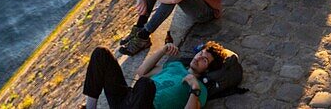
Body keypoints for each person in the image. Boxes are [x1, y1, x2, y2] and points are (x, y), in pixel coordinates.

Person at [82, 40, 226, 109]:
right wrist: (163, 50)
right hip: (128, 99)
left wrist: (194, 88)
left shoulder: (200, 88)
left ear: (207, 70)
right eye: (201, 54)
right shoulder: (175, 66)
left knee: (146, 84)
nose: (199, 58)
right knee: (101, 53)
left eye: (204, 60)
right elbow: (141, 72)